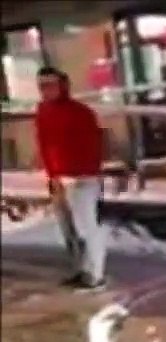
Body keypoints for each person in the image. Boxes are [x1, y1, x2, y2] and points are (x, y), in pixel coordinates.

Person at [35, 65, 107, 290]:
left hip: (82, 178)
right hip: (59, 179)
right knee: (69, 230)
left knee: (87, 227)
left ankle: (96, 274)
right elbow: (45, 146)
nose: (46, 90)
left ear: (62, 85)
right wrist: (51, 176)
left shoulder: (80, 112)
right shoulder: (43, 112)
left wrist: (87, 173)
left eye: (50, 85)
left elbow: (94, 144)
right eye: (42, 86)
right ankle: (81, 270)